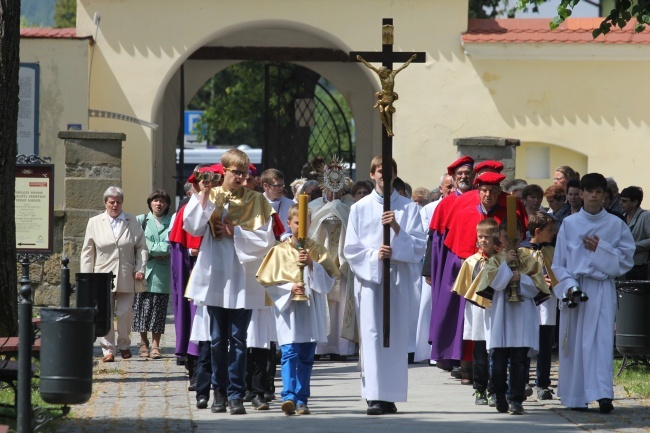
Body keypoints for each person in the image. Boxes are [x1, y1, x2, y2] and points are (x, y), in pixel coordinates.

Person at [183, 148, 276, 415]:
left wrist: (236, 233)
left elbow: (266, 240)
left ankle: (236, 394)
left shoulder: (257, 200)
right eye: (235, 172)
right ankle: (218, 393)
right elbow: (192, 227)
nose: (239, 176)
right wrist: (201, 195)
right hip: (215, 276)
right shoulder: (209, 194)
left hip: (243, 278)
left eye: (244, 173)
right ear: (223, 170)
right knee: (216, 339)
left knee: (238, 339)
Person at [344, 155, 426, 415]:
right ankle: (374, 396)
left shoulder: (409, 208)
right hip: (371, 281)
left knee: (395, 337)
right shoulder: (360, 207)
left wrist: (397, 229)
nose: (383, 175)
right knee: (372, 335)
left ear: (394, 175)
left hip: (398, 280)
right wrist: (374, 256)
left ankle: (390, 396)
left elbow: (419, 246)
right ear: (372, 175)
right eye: (379, 171)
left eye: (388, 171)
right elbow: (351, 249)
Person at [551, 173, 635, 413]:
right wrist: (568, 286)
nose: (594, 196)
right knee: (575, 344)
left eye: (599, 192)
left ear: (605, 195)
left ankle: (602, 394)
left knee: (600, 341)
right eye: (589, 191)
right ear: (582, 194)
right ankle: (577, 396)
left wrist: (601, 249)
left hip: (600, 288)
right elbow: (559, 263)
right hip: (576, 288)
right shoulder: (570, 223)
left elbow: (626, 259)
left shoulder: (615, 224)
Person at [258, 204, 338, 415]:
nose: (300, 227)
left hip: (310, 310)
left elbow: (329, 282)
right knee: (289, 353)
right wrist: (289, 288)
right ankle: (289, 397)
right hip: (289, 310)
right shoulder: (279, 250)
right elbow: (267, 282)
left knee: (305, 355)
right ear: (288, 223)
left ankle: (302, 398)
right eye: (296, 223)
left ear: (310, 224)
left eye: (305, 223)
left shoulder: (317, 249)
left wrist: (312, 265)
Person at [478, 219, 549, 415]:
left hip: (522, 315)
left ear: (521, 237)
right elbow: (493, 285)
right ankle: (499, 395)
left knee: (519, 361)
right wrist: (506, 268)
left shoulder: (529, 260)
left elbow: (538, 288)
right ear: (499, 237)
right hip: (501, 316)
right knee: (499, 361)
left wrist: (523, 279)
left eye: (514, 237)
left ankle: (516, 399)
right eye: (505, 236)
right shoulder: (494, 260)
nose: (509, 240)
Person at [80, 186, 148, 363]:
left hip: (127, 274)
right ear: (105, 203)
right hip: (102, 275)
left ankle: (124, 344)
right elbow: (88, 251)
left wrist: (140, 268)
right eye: (112, 202)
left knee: (125, 311)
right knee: (106, 314)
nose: (115, 205)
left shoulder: (132, 221)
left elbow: (141, 247)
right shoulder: (95, 222)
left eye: (118, 202)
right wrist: (87, 277)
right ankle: (108, 350)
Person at [450, 218, 499, 405]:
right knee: (479, 352)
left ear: (495, 238)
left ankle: (495, 389)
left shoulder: (500, 260)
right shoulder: (471, 262)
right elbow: (463, 289)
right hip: (477, 310)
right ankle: (480, 389)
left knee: (495, 352)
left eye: (487, 236)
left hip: (495, 310)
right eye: (480, 237)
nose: (484, 240)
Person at [520, 212, 559, 401]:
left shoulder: (552, 251)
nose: (553, 233)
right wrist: (535, 280)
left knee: (545, 343)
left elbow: (559, 272)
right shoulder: (522, 252)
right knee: (526, 341)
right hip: (528, 303)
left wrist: (551, 280)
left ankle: (543, 383)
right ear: (537, 231)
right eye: (549, 230)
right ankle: (523, 379)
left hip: (548, 303)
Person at [134, 189, 172, 359]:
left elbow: (170, 246)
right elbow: (139, 243)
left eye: (162, 201)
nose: (159, 204)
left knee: (158, 308)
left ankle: (156, 344)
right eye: (155, 200)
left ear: (167, 205)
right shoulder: (141, 221)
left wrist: (151, 248)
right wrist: (156, 249)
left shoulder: (172, 222)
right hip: (143, 269)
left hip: (162, 272)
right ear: (150, 203)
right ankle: (143, 342)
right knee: (142, 308)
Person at [356, 53, 418, 137]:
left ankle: (390, 129)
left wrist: (411, 58)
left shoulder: (393, 74)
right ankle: (388, 129)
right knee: (381, 111)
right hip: (383, 97)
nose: (381, 75)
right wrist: (362, 60)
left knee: (386, 111)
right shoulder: (381, 77)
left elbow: (403, 66)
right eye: (380, 74)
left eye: (382, 73)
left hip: (389, 97)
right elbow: (370, 66)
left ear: (386, 71)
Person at [619, 186, 650, 280]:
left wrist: (633, 247)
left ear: (635, 202)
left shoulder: (645, 216)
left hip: (639, 267)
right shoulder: (621, 218)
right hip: (623, 265)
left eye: (624, 201)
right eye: (620, 200)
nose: (620, 203)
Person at [261, 168, 294, 236]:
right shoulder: (256, 203)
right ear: (265, 186)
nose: (281, 188)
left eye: (282, 185)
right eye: (277, 185)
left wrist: (286, 236)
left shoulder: (290, 204)